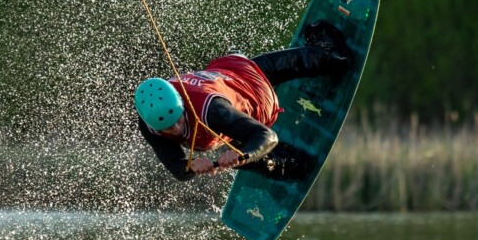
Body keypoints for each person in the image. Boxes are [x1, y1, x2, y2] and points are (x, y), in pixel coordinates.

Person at [134, 20, 351, 181]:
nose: (178, 127)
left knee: (241, 148)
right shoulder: (149, 125)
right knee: (228, 152)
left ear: (180, 102)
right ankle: (285, 161)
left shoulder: (213, 112)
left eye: (179, 119)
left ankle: (328, 55)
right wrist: (191, 167)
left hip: (255, 99)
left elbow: (267, 136)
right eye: (169, 128)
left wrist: (242, 155)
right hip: (228, 77)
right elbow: (175, 165)